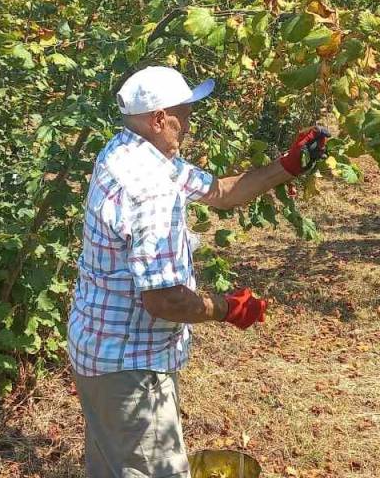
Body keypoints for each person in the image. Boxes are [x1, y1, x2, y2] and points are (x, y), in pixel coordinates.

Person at [67, 66, 329, 478]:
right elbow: (162, 299)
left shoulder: (127, 150)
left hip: (97, 351)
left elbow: (223, 193)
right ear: (158, 119)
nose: (189, 122)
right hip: (130, 367)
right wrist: (228, 308)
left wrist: (289, 165)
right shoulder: (151, 186)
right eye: (184, 113)